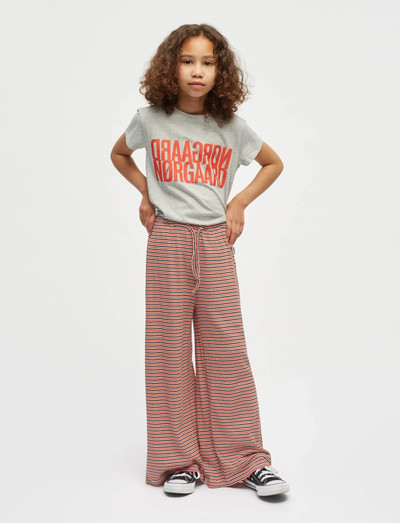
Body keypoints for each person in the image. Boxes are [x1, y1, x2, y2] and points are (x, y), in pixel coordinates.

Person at [110, 23, 290, 498]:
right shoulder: (150, 120)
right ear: (170, 68)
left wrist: (239, 202)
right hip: (167, 240)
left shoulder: (232, 127)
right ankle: (179, 463)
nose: (197, 71)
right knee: (168, 352)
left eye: (208, 62)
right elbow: (120, 154)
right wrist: (146, 192)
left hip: (214, 242)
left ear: (219, 71)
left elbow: (273, 163)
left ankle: (246, 460)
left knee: (226, 350)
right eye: (187, 61)